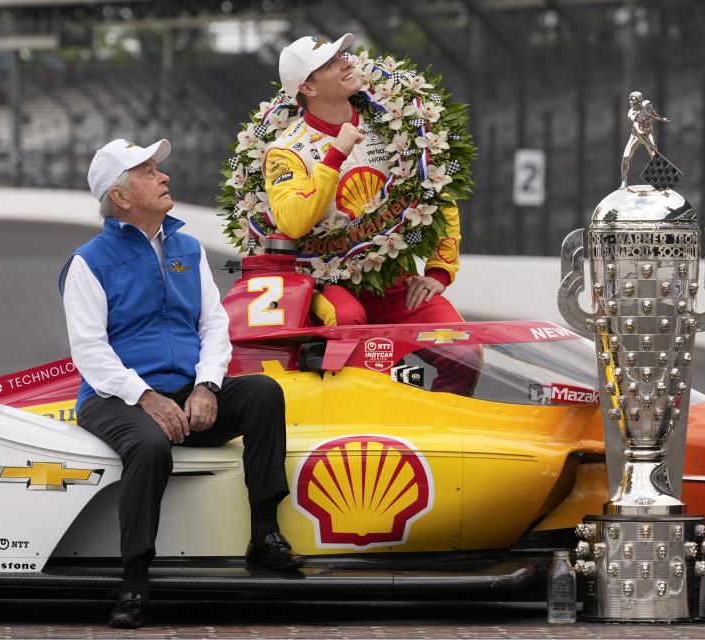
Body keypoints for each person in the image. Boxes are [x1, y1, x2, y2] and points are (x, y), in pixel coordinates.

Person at [60, 139, 303, 629]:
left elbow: (214, 326)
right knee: (150, 447)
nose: (163, 176)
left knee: (262, 394)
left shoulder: (188, 249)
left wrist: (207, 387)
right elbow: (89, 352)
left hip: (186, 394)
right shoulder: (88, 262)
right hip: (113, 400)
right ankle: (134, 580)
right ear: (122, 197)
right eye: (148, 171)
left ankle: (264, 536)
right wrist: (145, 397)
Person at [264, 34, 464, 328]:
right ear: (307, 87)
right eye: (331, 63)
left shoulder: (393, 122)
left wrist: (439, 271)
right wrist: (335, 155)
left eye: (342, 55)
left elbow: (435, 193)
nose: (347, 62)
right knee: (347, 320)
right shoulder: (285, 151)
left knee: (462, 348)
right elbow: (292, 221)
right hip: (327, 281)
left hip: (393, 277)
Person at [619, 90, 669, 189]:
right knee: (625, 157)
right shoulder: (631, 113)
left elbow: (653, 114)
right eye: (630, 101)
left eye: (634, 101)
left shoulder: (647, 106)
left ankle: (661, 180)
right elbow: (636, 126)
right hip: (636, 136)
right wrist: (641, 134)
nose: (631, 103)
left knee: (654, 155)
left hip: (648, 133)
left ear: (639, 101)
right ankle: (624, 181)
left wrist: (662, 119)